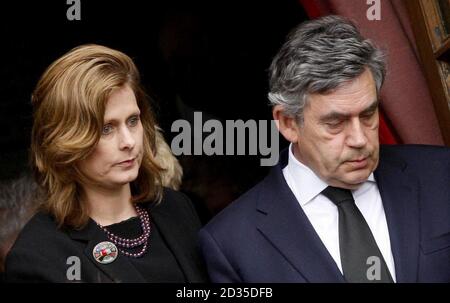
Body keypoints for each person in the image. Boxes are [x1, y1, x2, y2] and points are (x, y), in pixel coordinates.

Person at [199, 15, 450, 283]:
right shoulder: (232, 243)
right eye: (335, 123)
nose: (359, 139)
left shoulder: (441, 175)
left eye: (368, 115)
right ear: (288, 123)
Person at [5, 44, 208, 282]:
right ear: (66, 141)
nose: (128, 141)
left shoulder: (175, 207)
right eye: (106, 128)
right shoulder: (39, 256)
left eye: (133, 121)